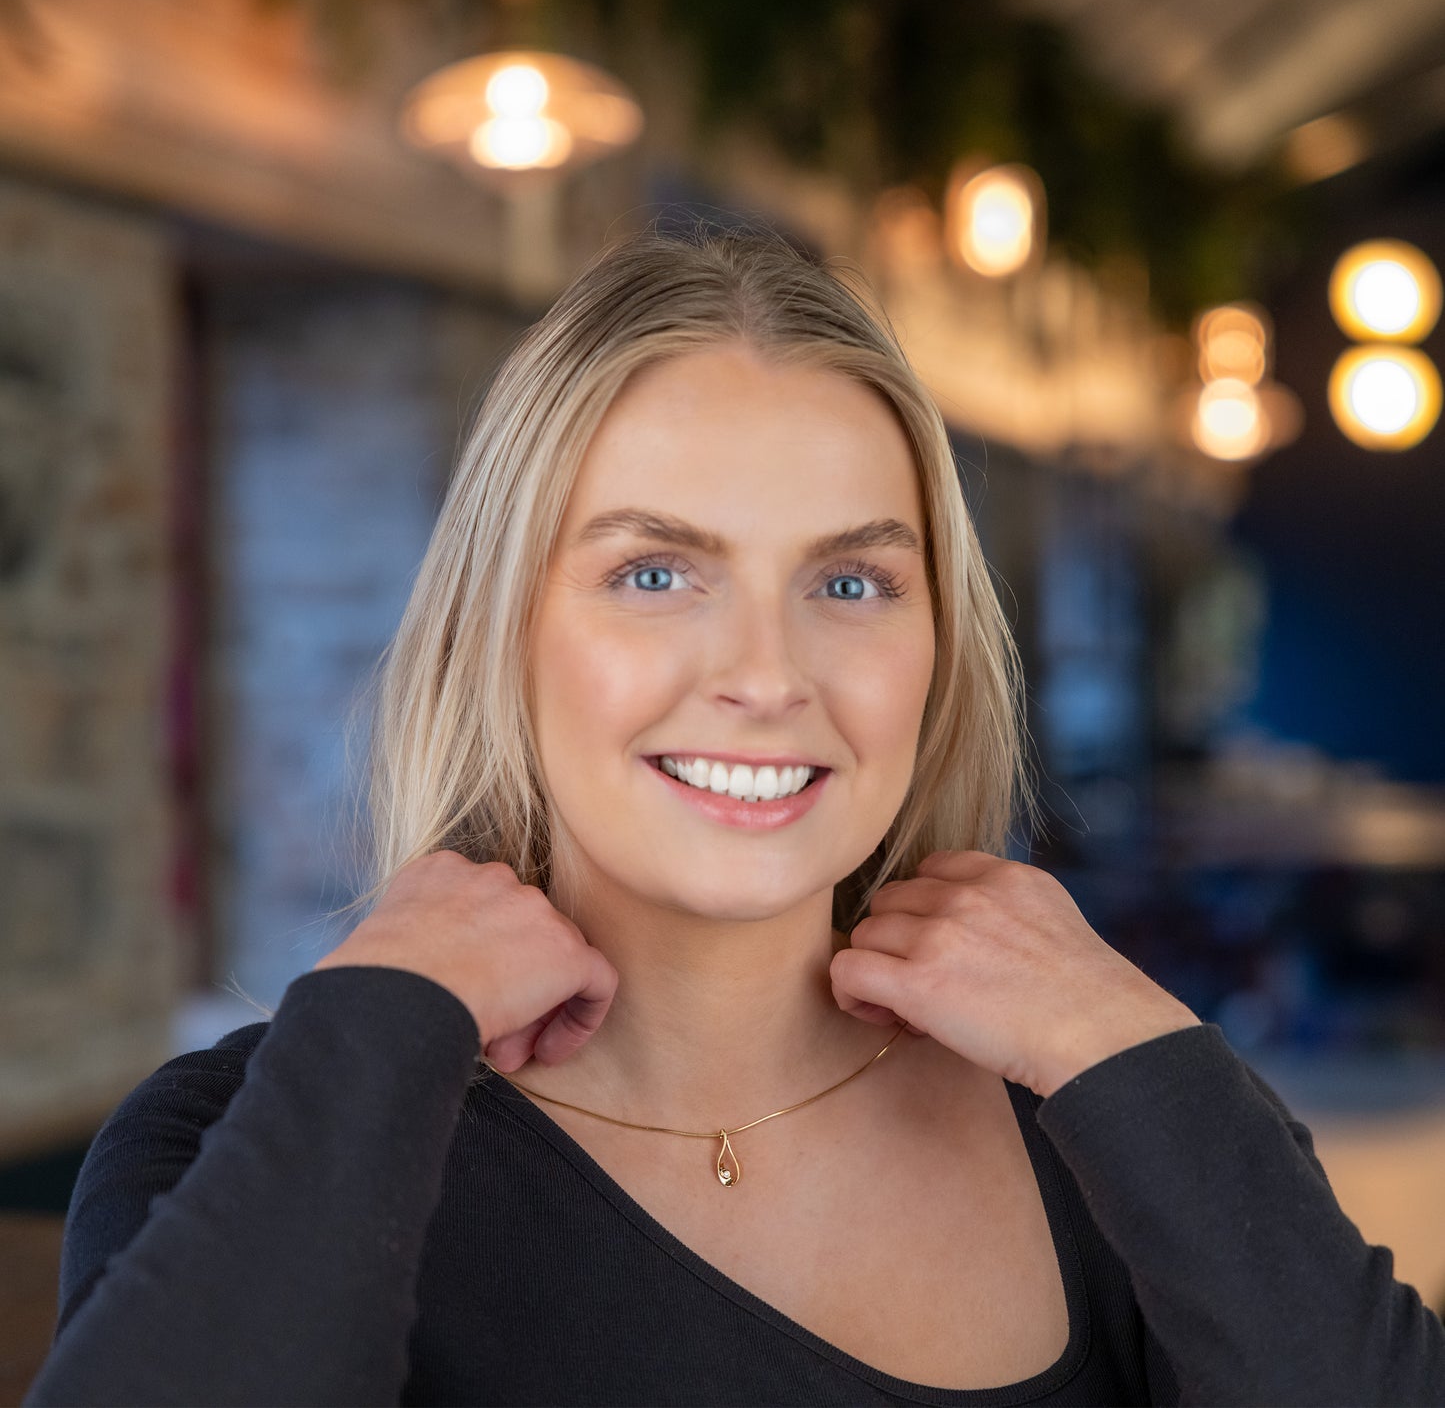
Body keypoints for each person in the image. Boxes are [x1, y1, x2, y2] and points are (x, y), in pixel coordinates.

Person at [25, 221, 1445, 1407]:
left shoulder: (1092, 1105)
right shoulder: (242, 1137)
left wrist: (1126, 1041)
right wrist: (383, 1017)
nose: (766, 676)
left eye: (849, 582)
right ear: (497, 630)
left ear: (937, 644)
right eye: (654, 572)